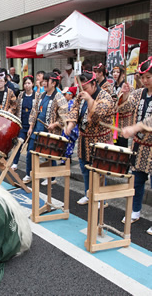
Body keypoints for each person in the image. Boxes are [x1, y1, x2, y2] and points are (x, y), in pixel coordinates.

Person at [65, 71, 116, 206]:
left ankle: (101, 198)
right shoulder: (81, 95)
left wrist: (89, 100)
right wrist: (70, 125)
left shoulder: (105, 96)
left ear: (94, 84)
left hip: (99, 140)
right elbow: (74, 109)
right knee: (85, 168)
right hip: (84, 139)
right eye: (81, 88)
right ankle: (88, 193)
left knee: (99, 171)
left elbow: (98, 114)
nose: (83, 91)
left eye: (85, 88)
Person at [118, 57, 152, 225]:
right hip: (139, 147)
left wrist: (135, 127)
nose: (144, 81)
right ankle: (135, 211)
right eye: (142, 77)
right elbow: (124, 109)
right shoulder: (138, 93)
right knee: (137, 181)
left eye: (148, 77)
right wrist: (124, 95)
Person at [23, 72, 68, 184]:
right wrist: (31, 126)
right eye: (43, 81)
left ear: (53, 83)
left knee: (49, 155)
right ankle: (29, 174)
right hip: (37, 129)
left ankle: (51, 178)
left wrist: (55, 124)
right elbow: (34, 111)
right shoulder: (41, 95)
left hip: (50, 131)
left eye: (46, 81)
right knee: (30, 152)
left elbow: (64, 117)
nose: (44, 83)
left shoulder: (59, 97)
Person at [11, 75, 36, 171]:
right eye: (25, 83)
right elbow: (17, 108)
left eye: (29, 83)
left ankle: (30, 168)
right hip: (22, 124)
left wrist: (32, 125)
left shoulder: (36, 96)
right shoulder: (21, 95)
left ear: (32, 84)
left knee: (30, 148)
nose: (27, 85)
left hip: (32, 126)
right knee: (18, 144)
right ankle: (15, 163)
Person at [111, 64, 131, 147]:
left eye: (118, 72)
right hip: (113, 122)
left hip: (123, 123)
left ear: (123, 74)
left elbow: (129, 105)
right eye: (114, 72)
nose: (115, 74)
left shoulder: (128, 88)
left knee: (121, 149)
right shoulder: (112, 87)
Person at [61, 87, 79, 164]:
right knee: (69, 143)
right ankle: (67, 157)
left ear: (71, 95)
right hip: (68, 126)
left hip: (71, 127)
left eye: (66, 94)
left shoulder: (72, 104)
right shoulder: (69, 103)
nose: (65, 95)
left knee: (68, 142)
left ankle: (66, 158)